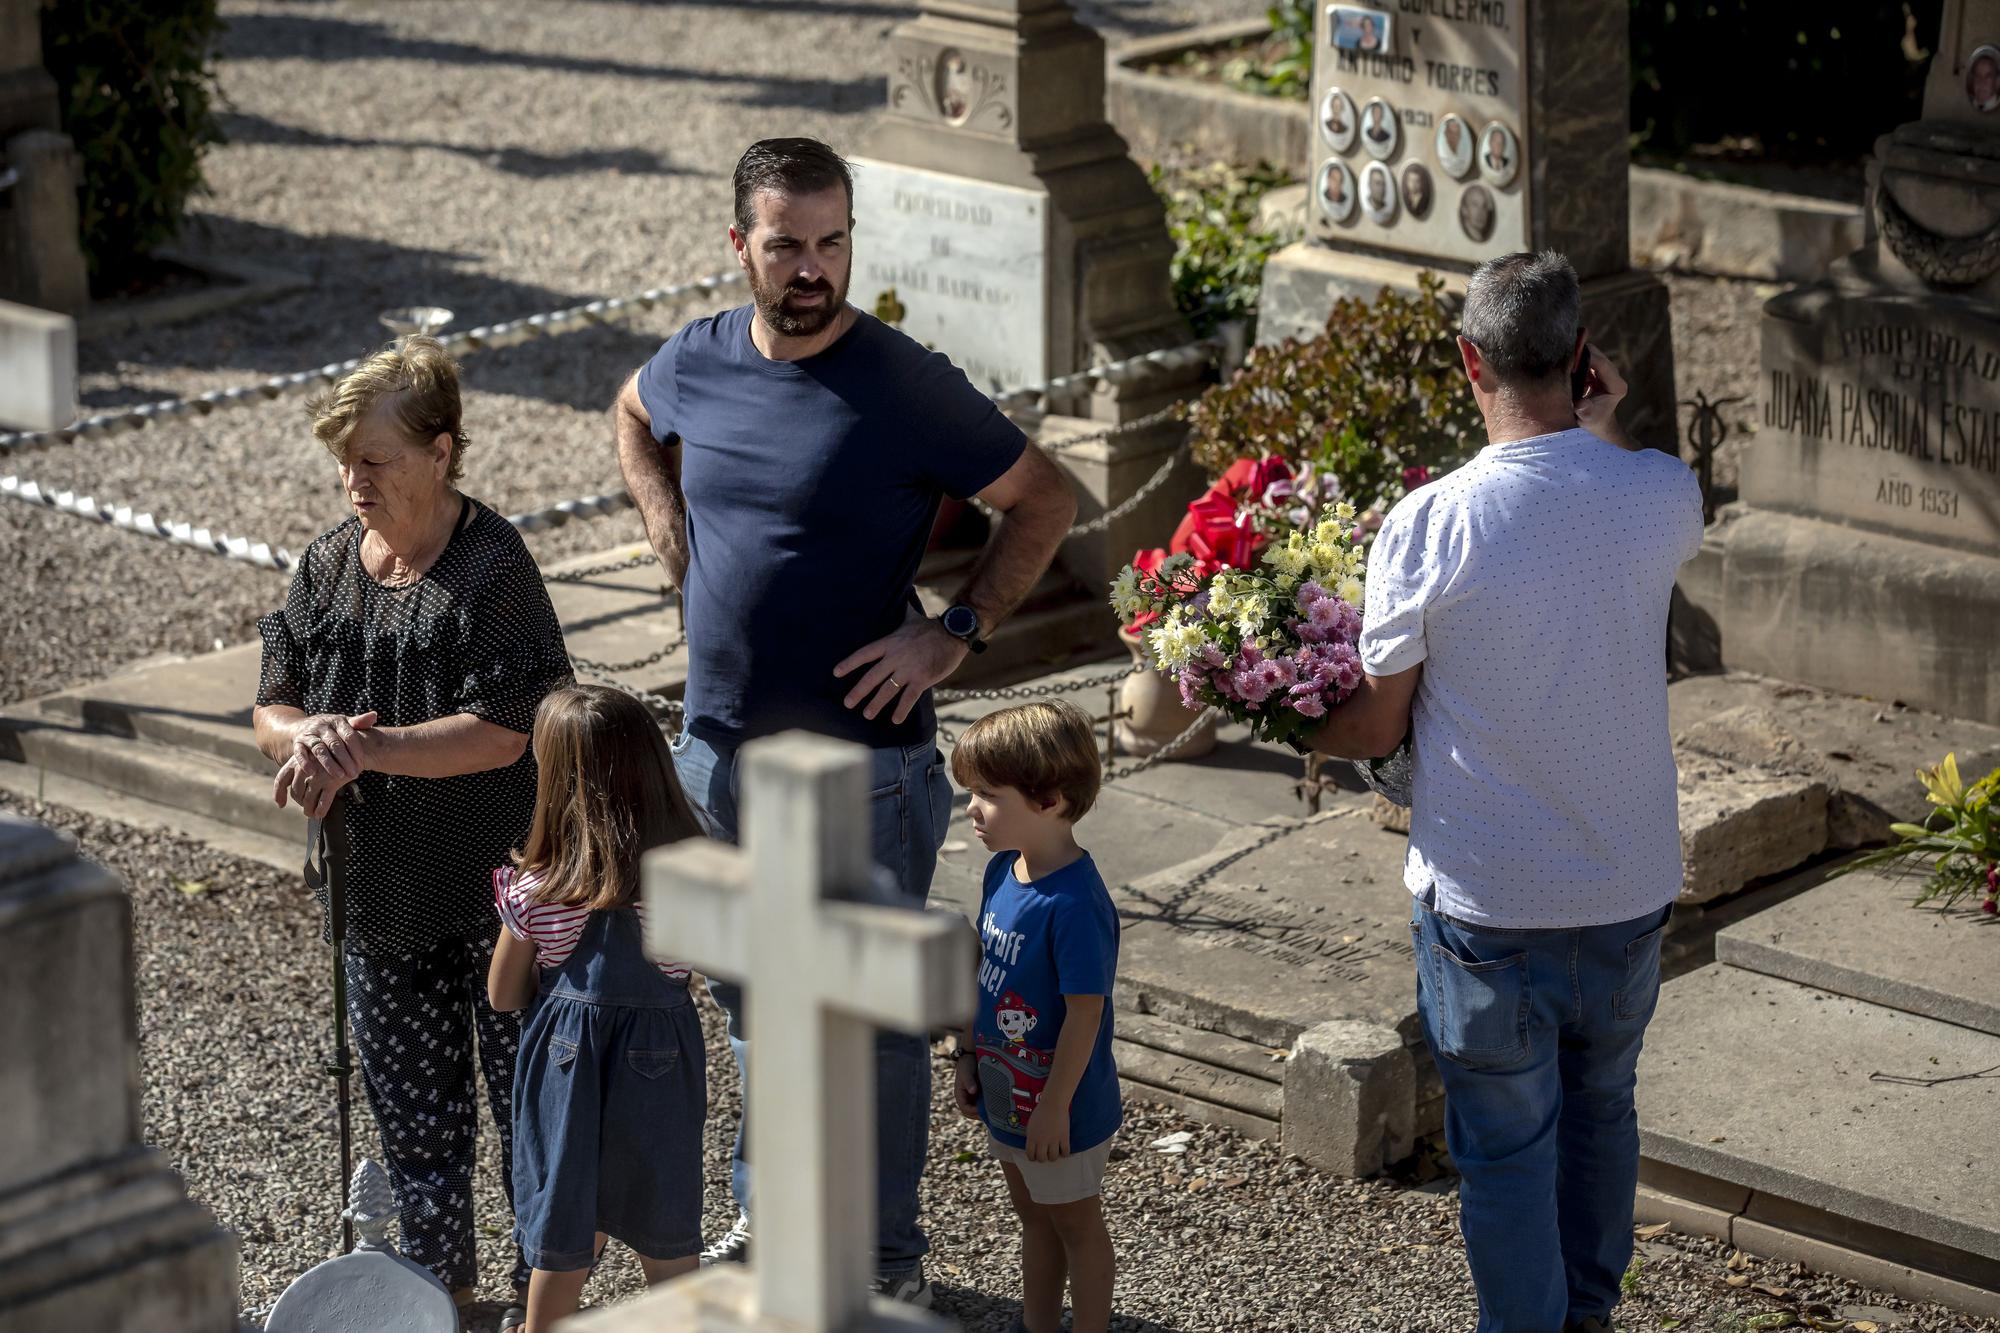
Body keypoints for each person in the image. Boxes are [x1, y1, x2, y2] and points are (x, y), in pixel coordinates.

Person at [613, 137, 1077, 1302]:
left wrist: (951, 633)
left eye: (832, 243)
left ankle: (883, 1268)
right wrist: (665, 517)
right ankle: (772, 1224)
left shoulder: (902, 380)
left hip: (863, 775)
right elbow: (628, 411)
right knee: (758, 1005)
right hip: (714, 754)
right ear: (740, 249)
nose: (812, 270)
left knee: (867, 1027)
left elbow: (1044, 497)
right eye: (786, 246)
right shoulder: (699, 358)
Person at [1309, 251, 1704, 1333]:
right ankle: (1588, 1315)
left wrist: (1283, 715)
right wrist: (1609, 424)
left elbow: (1378, 723)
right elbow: (1621, 490)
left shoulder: (1428, 522)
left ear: (1464, 362)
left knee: (1503, 1158)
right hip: (1623, 886)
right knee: (1602, 1112)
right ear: (1581, 360)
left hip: (1485, 898)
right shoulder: (1661, 493)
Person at [253, 335, 574, 1323]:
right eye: (345, 460)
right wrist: (302, 736)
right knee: (414, 1129)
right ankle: (442, 1301)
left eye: (374, 459)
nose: (353, 479)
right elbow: (270, 701)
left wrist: (364, 749)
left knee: (526, 1112)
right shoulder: (325, 567)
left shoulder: (491, 569)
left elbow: (504, 732)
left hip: (497, 897)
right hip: (379, 896)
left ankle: (538, 1306)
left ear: (440, 453)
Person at [488, 686, 708, 1333]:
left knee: (565, 1229)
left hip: (565, 1078)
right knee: (666, 1233)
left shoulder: (539, 884)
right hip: (660, 1073)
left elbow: (503, 994)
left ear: (556, 779)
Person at [948, 702, 1120, 1333]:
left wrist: (1054, 1105)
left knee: (1075, 1224)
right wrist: (968, 1054)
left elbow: (1084, 1015)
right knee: (1032, 1217)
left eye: (988, 796)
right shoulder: (1002, 870)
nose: (971, 809)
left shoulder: (1074, 905)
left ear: (1048, 799)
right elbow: (982, 975)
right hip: (1004, 1091)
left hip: (1059, 1109)